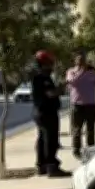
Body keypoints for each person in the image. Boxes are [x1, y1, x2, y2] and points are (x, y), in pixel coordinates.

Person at [32, 50, 70, 178]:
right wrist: (62, 87)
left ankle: (41, 165)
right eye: (50, 63)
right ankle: (51, 167)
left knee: (42, 139)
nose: (52, 66)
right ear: (44, 63)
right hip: (47, 113)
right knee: (50, 140)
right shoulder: (42, 78)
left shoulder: (39, 77)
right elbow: (50, 93)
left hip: (41, 112)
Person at [65, 50, 95, 159]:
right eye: (79, 59)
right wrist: (82, 70)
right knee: (77, 129)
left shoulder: (91, 72)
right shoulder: (71, 72)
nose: (81, 60)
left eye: (83, 59)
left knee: (91, 129)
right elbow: (73, 82)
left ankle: (91, 149)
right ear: (75, 61)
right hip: (77, 105)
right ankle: (77, 150)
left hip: (91, 105)